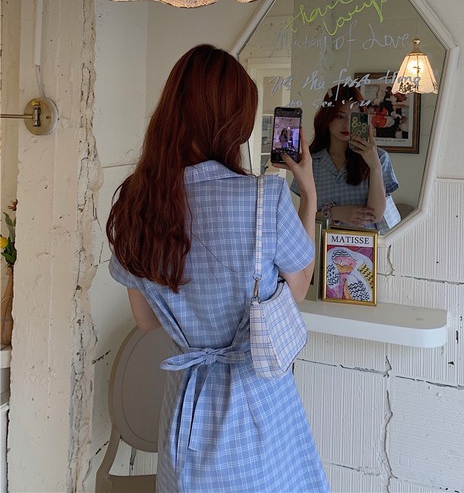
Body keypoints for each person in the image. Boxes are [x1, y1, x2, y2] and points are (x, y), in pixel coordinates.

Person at [106, 44, 329, 493]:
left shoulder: (137, 202)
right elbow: (299, 288)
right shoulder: (265, 198)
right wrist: (308, 194)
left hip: (186, 412)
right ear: (232, 124)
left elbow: (146, 319)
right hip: (257, 409)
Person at [291, 85, 401, 234]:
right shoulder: (310, 162)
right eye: (339, 116)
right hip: (321, 243)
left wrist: (375, 167)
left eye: (354, 117)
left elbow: (375, 215)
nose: (347, 124)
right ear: (327, 118)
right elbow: (303, 220)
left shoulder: (379, 158)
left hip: (366, 245)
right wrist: (333, 213)